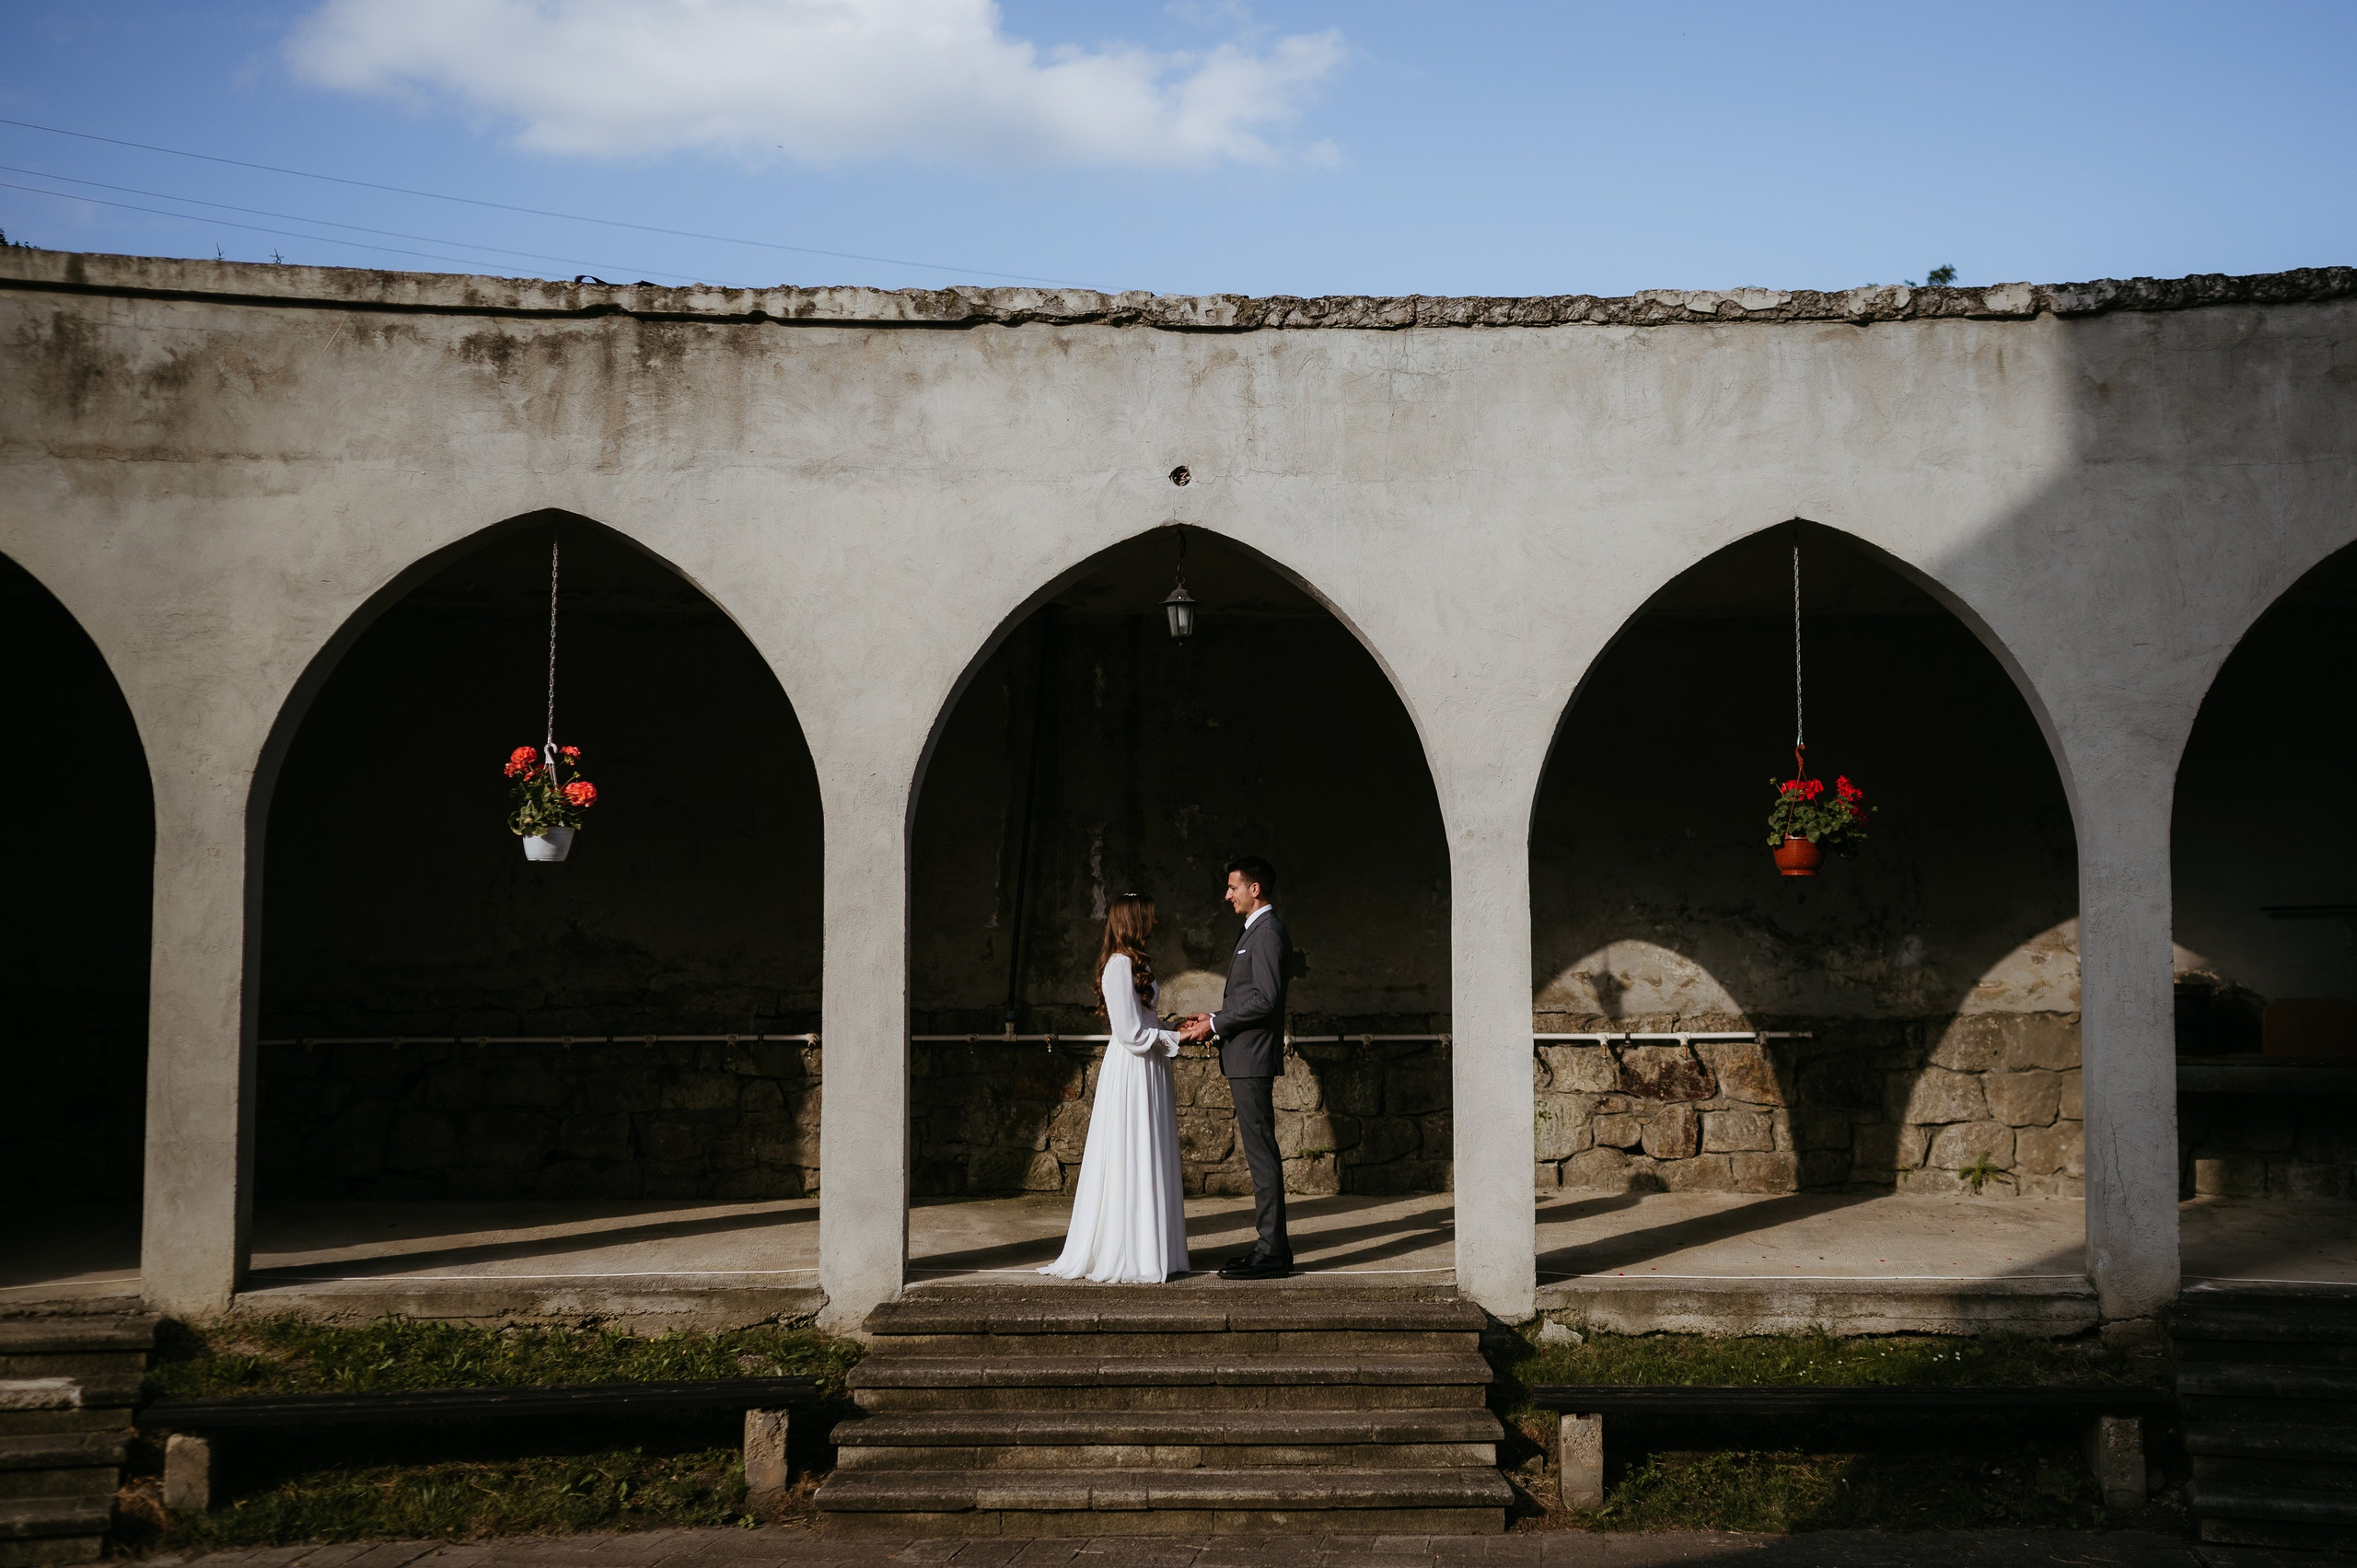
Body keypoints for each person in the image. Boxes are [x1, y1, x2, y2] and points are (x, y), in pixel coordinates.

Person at [1039, 892, 1190, 1284]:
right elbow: (1129, 1032)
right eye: (1149, 917)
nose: (1155, 924)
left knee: (1151, 1148)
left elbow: (1146, 1022)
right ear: (1135, 920)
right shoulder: (1118, 965)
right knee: (1131, 1148)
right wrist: (1172, 1039)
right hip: (1133, 1066)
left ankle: (1154, 1248)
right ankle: (1129, 1251)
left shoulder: (1136, 964)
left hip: (1150, 1066)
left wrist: (1174, 1028)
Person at [1181, 856, 1293, 1280]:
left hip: (1252, 1058)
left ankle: (1273, 1253)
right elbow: (1250, 997)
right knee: (1260, 1155)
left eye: (1233, 887)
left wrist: (1217, 1023)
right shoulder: (1256, 931)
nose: (1227, 895)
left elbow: (1265, 999)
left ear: (1255, 889)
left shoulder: (1267, 933)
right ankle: (1269, 1247)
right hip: (1243, 1054)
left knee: (1262, 1157)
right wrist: (1212, 1017)